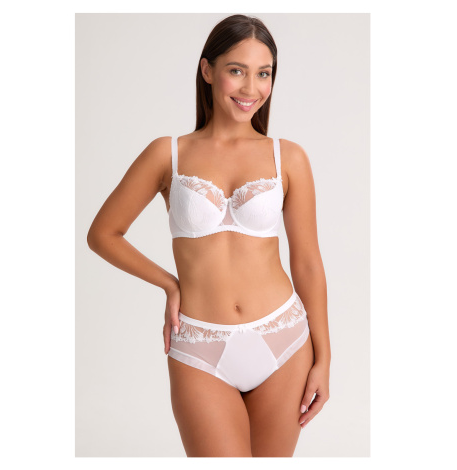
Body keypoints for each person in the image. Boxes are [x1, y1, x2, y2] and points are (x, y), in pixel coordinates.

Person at [87, 14, 331, 457]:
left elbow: (308, 263)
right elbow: (103, 233)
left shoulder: (289, 158)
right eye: (237, 70)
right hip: (199, 345)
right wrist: (169, 283)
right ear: (207, 70)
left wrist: (324, 358)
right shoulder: (168, 153)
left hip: (284, 339)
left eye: (264, 73)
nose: (251, 88)